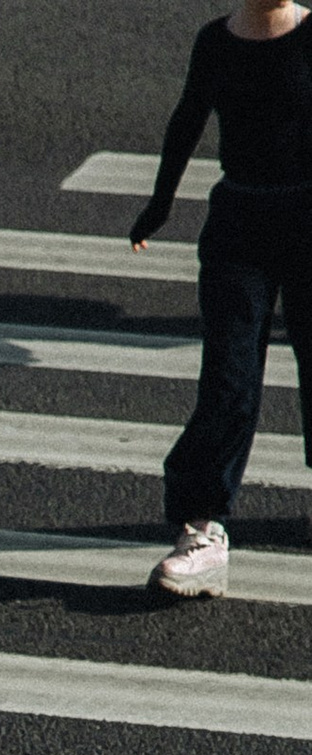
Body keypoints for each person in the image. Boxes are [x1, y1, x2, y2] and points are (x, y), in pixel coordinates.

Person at [133, 0, 312, 595]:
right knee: (230, 379)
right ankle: (203, 530)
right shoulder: (216, 43)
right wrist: (160, 205)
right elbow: (188, 118)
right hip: (239, 222)